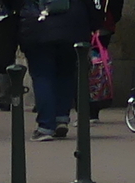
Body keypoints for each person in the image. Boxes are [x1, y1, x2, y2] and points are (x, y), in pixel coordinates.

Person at [18, 0, 96, 139]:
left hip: (37, 25)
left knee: (42, 75)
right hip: (73, 25)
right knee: (66, 73)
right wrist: (93, 24)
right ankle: (61, 119)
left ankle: (46, 126)